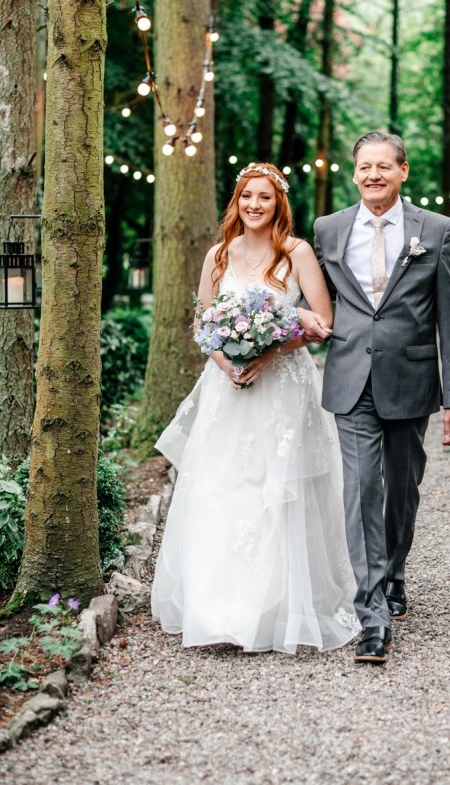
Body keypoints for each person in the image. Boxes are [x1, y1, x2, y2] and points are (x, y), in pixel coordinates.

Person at [151, 162, 359, 654]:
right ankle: (217, 609)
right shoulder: (219, 256)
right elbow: (204, 321)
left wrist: (269, 351)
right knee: (221, 486)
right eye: (248, 197)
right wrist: (226, 363)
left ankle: (279, 609)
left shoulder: (296, 253)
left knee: (278, 487)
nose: (255, 205)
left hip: (283, 386)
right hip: (229, 389)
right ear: (237, 202)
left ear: (278, 204)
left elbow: (323, 320)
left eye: (265, 198)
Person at [307, 131, 450, 664]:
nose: (372, 175)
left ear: (403, 172)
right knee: (359, 491)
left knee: (401, 490)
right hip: (351, 378)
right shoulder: (328, 229)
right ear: (353, 174)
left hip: (412, 381)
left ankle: (394, 571)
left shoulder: (436, 230)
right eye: (364, 167)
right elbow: (319, 302)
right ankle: (371, 614)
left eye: (383, 166)